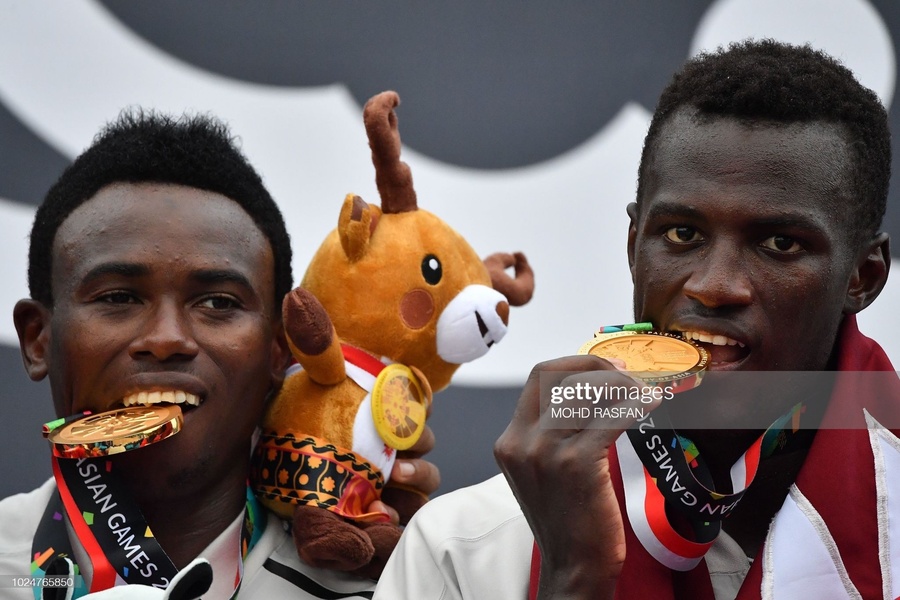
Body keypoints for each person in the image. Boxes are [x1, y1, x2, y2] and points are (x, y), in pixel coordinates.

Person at [374, 39, 899, 599]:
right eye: (682, 233)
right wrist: (574, 577)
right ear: (633, 246)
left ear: (862, 277)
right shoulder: (464, 547)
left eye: (780, 243)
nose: (713, 285)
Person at [0, 110, 438, 598]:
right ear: (37, 339)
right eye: (118, 297)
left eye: (218, 303)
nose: (167, 338)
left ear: (278, 350)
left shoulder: (390, 587)